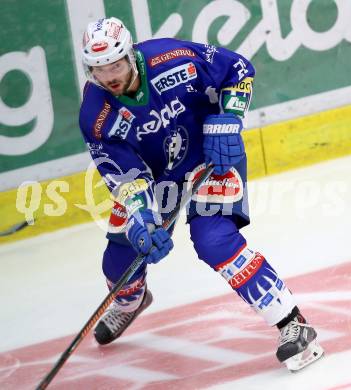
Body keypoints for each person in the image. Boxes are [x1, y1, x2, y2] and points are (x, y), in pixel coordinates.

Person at [79, 17, 323, 371]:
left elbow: (238, 70)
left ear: (130, 56)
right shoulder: (95, 114)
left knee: (214, 240)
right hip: (158, 178)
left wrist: (230, 118)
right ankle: (131, 301)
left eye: (115, 65)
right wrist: (142, 218)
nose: (110, 76)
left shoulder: (172, 56)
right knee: (121, 255)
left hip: (213, 154)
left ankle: (292, 323)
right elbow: (125, 175)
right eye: (100, 70)